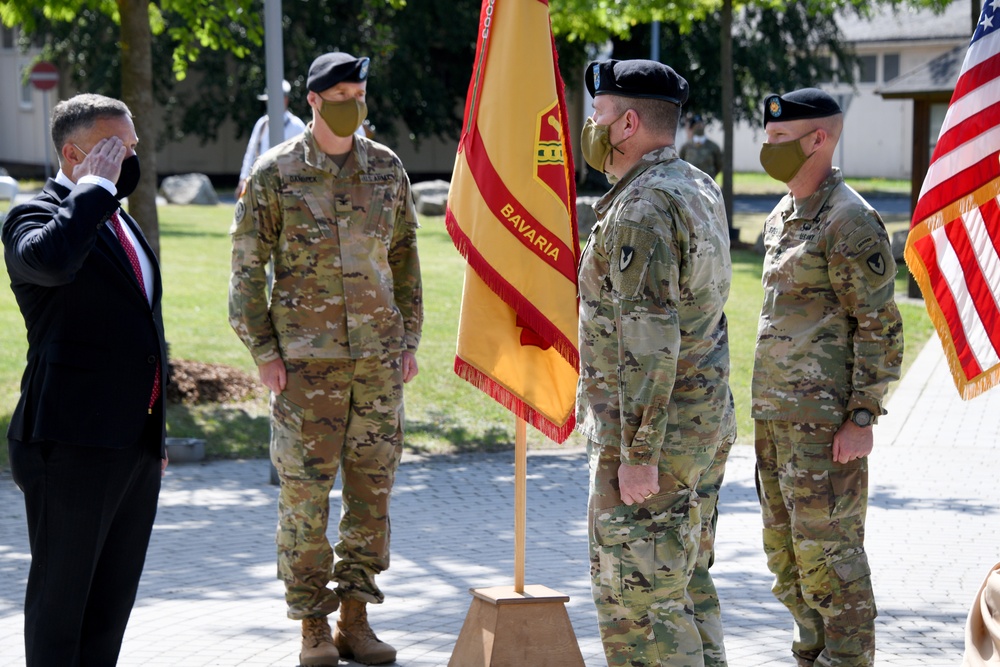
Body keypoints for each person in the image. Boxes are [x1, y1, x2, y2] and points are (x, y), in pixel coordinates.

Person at [229, 52, 422, 667]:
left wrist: (408, 341)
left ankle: (356, 618)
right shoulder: (274, 173)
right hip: (305, 368)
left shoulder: (387, 169)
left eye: (359, 92)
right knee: (304, 499)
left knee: (372, 496)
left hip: (377, 366)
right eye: (340, 92)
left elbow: (406, 262)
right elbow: (244, 271)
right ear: (312, 100)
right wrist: (263, 351)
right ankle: (312, 622)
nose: (353, 102)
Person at [576, 58, 737, 667]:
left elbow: (650, 340)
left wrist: (637, 455)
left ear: (628, 123)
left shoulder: (644, 208)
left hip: (654, 442)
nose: (591, 125)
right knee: (686, 589)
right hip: (698, 428)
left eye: (599, 114)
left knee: (639, 609)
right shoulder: (696, 186)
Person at [1, 93, 168, 666]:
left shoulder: (121, 220)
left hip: (133, 445)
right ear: (75, 154)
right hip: (69, 445)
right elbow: (50, 262)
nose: (130, 161)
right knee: (60, 607)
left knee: (108, 609)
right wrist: (92, 191)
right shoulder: (35, 216)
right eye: (115, 150)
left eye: (133, 148)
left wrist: (155, 436)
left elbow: (144, 330)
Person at [752, 88, 903, 666]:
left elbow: (879, 326)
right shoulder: (783, 214)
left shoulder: (850, 220)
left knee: (832, 565)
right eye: (768, 140)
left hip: (824, 430)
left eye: (779, 140)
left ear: (819, 139)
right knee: (786, 563)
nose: (770, 150)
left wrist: (862, 416)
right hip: (775, 420)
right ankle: (810, 656)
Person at [235, 79, 307, 199]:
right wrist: (243, 179)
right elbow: (251, 152)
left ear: (285, 100)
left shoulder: (296, 126)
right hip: (261, 184)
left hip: (288, 187)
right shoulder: (262, 123)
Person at [679, 114, 723, 180]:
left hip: (708, 183)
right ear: (692, 128)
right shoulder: (685, 147)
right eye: (696, 124)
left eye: (701, 124)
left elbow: (719, 165)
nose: (699, 126)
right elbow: (681, 163)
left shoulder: (713, 146)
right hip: (690, 183)